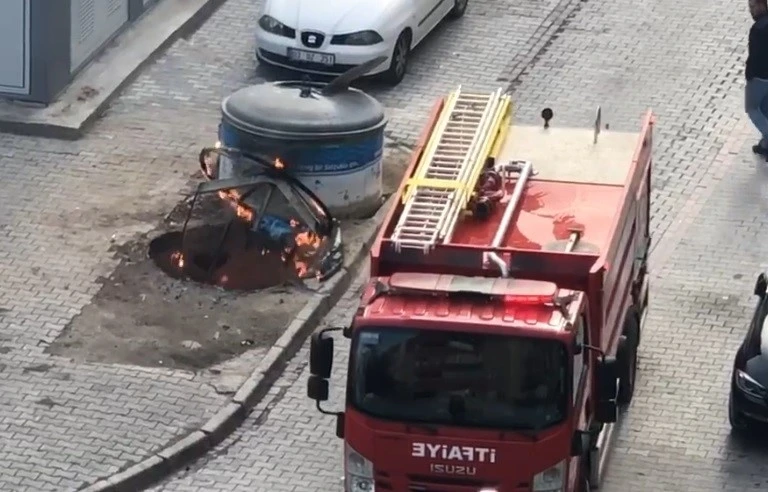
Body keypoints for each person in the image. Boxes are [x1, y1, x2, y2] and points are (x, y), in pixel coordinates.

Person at [746, 0, 768, 157]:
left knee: (753, 109)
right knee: (765, 109)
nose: (751, 11)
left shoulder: (758, 29)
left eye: (753, 7)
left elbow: (755, 57)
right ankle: (764, 144)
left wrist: (749, 75)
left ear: (762, 6)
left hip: (760, 77)